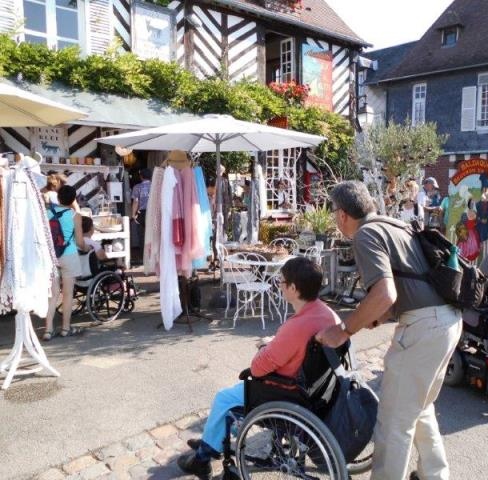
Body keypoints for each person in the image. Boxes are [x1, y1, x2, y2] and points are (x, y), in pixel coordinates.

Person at [316, 181, 462, 480]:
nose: (334, 218)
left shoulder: (365, 234)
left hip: (424, 328)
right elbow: (408, 284)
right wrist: (377, 318)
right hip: (447, 321)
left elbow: (385, 293)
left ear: (343, 214)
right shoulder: (392, 224)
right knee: (420, 408)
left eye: (334, 213)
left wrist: (344, 329)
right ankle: (435, 474)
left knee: (394, 422)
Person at [177, 257, 340, 479]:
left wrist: (265, 346)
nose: (279, 285)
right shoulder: (327, 314)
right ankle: (211, 439)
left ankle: (203, 457)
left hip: (285, 390)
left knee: (223, 398)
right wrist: (275, 343)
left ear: (293, 288)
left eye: (281, 282)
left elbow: (258, 369)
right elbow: (296, 345)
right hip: (313, 387)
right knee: (228, 401)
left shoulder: (296, 326)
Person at [43, 185, 86, 341]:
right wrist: (87, 247)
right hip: (68, 255)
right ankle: (66, 328)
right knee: (67, 294)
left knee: (52, 295)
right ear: (73, 199)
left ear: (58, 198)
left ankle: (48, 330)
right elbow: (80, 242)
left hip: (51, 257)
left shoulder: (46, 214)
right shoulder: (75, 216)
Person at [131, 168, 152, 255]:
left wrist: (133, 214)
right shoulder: (155, 186)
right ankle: (153, 254)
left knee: (142, 234)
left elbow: (136, 201)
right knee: (153, 233)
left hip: (142, 213)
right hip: (153, 212)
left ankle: (144, 255)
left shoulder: (137, 187)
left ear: (141, 177)